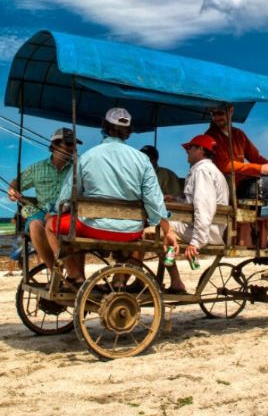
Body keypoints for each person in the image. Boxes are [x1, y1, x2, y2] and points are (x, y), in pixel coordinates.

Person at [48, 107, 179, 285]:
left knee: (50, 225)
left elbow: (66, 198)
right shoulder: (142, 160)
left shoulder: (87, 157)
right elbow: (154, 201)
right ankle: (119, 280)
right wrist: (167, 230)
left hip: (93, 228)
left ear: (105, 127)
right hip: (131, 231)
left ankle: (74, 276)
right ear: (129, 132)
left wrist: (55, 211)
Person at [204, 104, 268, 251]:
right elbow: (223, 165)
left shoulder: (238, 134)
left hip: (243, 182)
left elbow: (256, 157)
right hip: (229, 187)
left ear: (231, 111)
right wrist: (260, 169)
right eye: (214, 114)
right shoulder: (210, 137)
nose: (217, 117)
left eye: (220, 113)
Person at [159, 134, 229, 294]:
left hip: (206, 231)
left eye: (190, 147)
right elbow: (197, 201)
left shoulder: (202, 171)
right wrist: (176, 199)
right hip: (206, 228)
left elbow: (204, 207)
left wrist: (196, 242)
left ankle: (175, 281)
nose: (187, 151)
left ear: (201, 150)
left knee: (156, 229)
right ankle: (175, 280)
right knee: (164, 228)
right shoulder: (205, 170)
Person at [7, 127, 81, 272]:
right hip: (42, 212)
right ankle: (54, 272)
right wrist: (12, 191)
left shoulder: (77, 169)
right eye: (68, 144)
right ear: (54, 146)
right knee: (34, 225)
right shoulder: (36, 168)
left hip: (69, 213)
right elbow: (16, 182)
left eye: (74, 145)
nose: (73, 148)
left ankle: (75, 273)